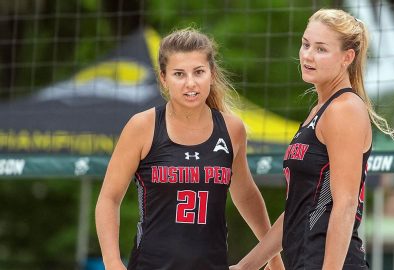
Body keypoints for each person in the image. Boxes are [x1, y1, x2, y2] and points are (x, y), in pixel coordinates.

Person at [95, 27, 284, 270]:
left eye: (198, 72)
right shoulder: (143, 126)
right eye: (179, 74)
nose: (190, 83)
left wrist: (273, 257)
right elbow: (109, 199)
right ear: (163, 78)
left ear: (212, 74)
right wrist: (112, 262)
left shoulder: (232, 129)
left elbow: (245, 194)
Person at [230, 8, 394, 270]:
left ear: (347, 57)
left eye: (321, 49)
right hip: (305, 260)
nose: (307, 55)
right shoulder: (318, 112)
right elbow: (298, 209)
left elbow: (346, 204)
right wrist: (246, 266)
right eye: (305, 44)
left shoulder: (345, 109)